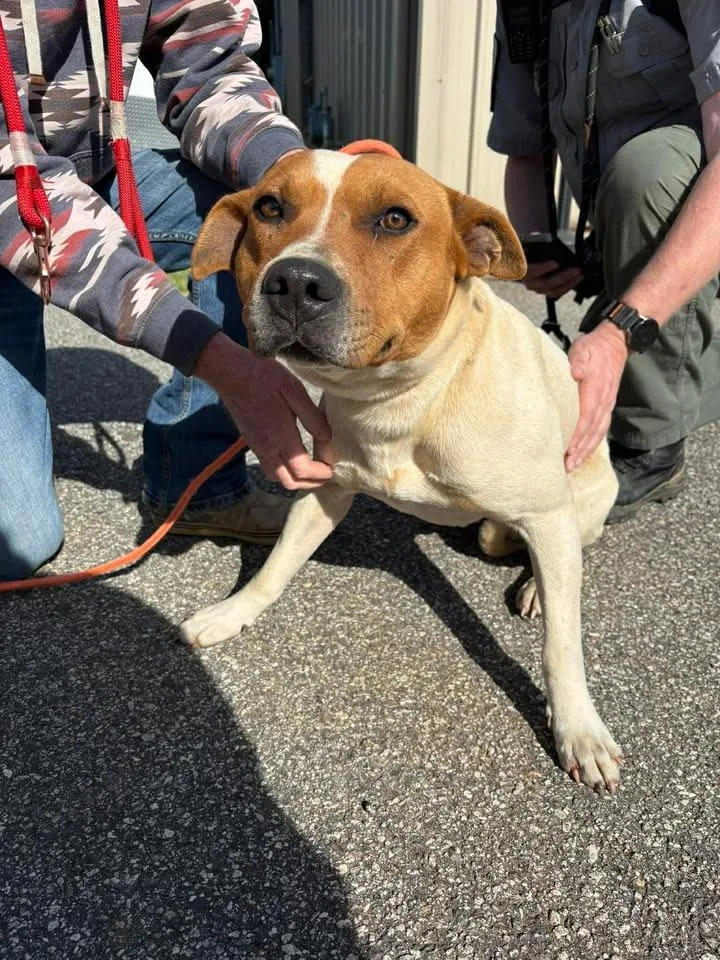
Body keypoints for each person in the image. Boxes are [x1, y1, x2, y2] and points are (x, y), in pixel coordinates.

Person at [0, 0, 333, 580]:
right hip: (11, 192)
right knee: (20, 542)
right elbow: (17, 195)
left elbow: (213, 71)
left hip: (89, 170)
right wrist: (220, 361)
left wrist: (297, 182)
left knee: (251, 212)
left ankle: (196, 485)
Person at [488, 2, 720, 522]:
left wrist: (620, 332)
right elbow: (524, 150)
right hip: (622, 233)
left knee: (649, 169)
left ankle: (652, 439)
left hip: (705, 229)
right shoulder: (526, 9)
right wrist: (535, 242)